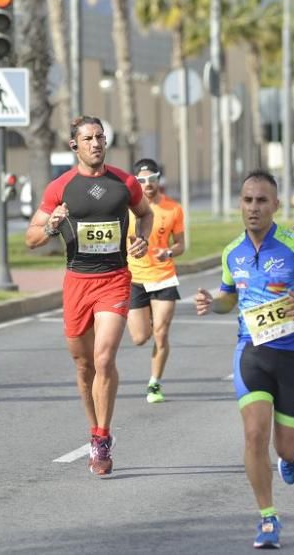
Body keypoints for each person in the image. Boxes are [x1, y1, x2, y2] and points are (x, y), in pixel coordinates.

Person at [194, 171, 294, 549]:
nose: (254, 208)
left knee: (287, 448)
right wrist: (213, 303)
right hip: (252, 351)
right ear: (240, 205)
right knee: (253, 433)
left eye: (262, 200)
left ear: (276, 205)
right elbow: (229, 296)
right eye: (247, 200)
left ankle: (290, 459)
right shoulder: (233, 252)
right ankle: (267, 517)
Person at [25, 116, 153, 477]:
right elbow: (31, 238)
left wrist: (142, 237)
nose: (96, 143)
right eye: (88, 138)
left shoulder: (124, 182)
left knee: (104, 356)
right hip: (77, 282)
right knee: (83, 367)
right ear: (74, 145)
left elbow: (146, 213)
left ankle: (102, 436)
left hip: (114, 279)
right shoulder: (60, 188)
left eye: (100, 137)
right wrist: (51, 225)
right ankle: (92, 424)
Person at [126, 158, 185, 404]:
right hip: (135, 278)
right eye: (141, 180)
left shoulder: (173, 208)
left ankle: (154, 383)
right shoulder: (126, 209)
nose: (148, 184)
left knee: (161, 334)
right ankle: (148, 317)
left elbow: (181, 244)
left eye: (152, 179)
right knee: (140, 338)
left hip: (163, 277)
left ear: (158, 179)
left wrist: (169, 252)